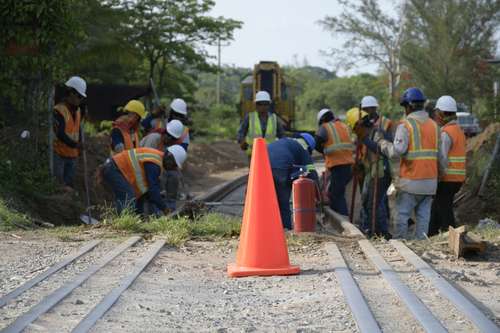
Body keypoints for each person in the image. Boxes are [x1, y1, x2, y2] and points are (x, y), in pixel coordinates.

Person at [358, 87, 440, 239]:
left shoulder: (406, 125)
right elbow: (440, 155)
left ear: (408, 107)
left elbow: (397, 151)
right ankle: (421, 244)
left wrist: (382, 143)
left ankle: (400, 243)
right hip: (430, 181)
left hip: (411, 180)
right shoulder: (434, 126)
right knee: (423, 216)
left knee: (401, 214)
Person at [102, 145, 187, 215]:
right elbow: (152, 190)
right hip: (114, 168)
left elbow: (146, 190)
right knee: (128, 196)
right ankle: (122, 227)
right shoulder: (155, 162)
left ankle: (136, 222)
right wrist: (164, 208)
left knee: (138, 197)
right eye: (174, 165)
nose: (172, 168)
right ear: (169, 157)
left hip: (115, 168)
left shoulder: (157, 160)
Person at [429, 96, 466, 236]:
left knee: (445, 211)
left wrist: (436, 178)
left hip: (447, 179)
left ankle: (453, 237)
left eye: (437, 113)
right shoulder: (458, 130)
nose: (435, 116)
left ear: (443, 113)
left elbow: (442, 159)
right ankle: (431, 233)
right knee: (437, 207)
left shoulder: (446, 133)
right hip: (457, 179)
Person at [358, 96, 393, 239]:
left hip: (381, 168)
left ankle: (381, 231)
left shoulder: (384, 124)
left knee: (377, 202)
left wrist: (365, 138)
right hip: (370, 168)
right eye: (364, 110)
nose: (366, 112)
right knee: (368, 200)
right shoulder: (367, 124)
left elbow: (381, 148)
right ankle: (368, 227)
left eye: (367, 110)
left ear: (374, 109)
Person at [268, 133, 318, 230]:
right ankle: (285, 230)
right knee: (283, 203)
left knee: (268, 201)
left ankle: (268, 228)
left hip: (263, 164)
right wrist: (317, 195)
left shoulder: (286, 142)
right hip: (280, 168)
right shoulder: (303, 148)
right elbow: (312, 173)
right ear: (308, 146)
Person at [315, 108, 355, 216]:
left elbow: (317, 141)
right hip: (349, 165)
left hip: (338, 165)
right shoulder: (343, 125)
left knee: (337, 195)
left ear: (322, 120)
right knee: (335, 192)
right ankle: (337, 218)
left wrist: (323, 151)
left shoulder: (325, 127)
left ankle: (343, 220)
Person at [140, 119, 186, 211]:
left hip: (153, 170)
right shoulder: (154, 138)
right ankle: (155, 211)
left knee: (172, 174)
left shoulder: (165, 144)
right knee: (154, 190)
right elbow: (146, 160)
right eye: (170, 138)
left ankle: (169, 206)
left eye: (173, 139)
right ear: (166, 134)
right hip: (143, 170)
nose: (171, 141)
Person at [53, 76, 87, 190]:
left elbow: (78, 129)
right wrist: (76, 145)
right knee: (58, 186)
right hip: (59, 154)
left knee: (69, 186)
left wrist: (80, 144)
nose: (80, 99)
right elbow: (60, 134)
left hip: (72, 156)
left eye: (82, 97)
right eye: (79, 96)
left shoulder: (77, 111)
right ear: (71, 93)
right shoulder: (59, 110)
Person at [237, 90, 284, 158]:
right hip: (254, 154)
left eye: (265, 104)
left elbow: (282, 135)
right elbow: (241, 132)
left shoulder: (274, 118)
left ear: (268, 105)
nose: (263, 106)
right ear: (256, 105)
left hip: (270, 154)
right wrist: (242, 141)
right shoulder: (250, 117)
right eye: (260, 104)